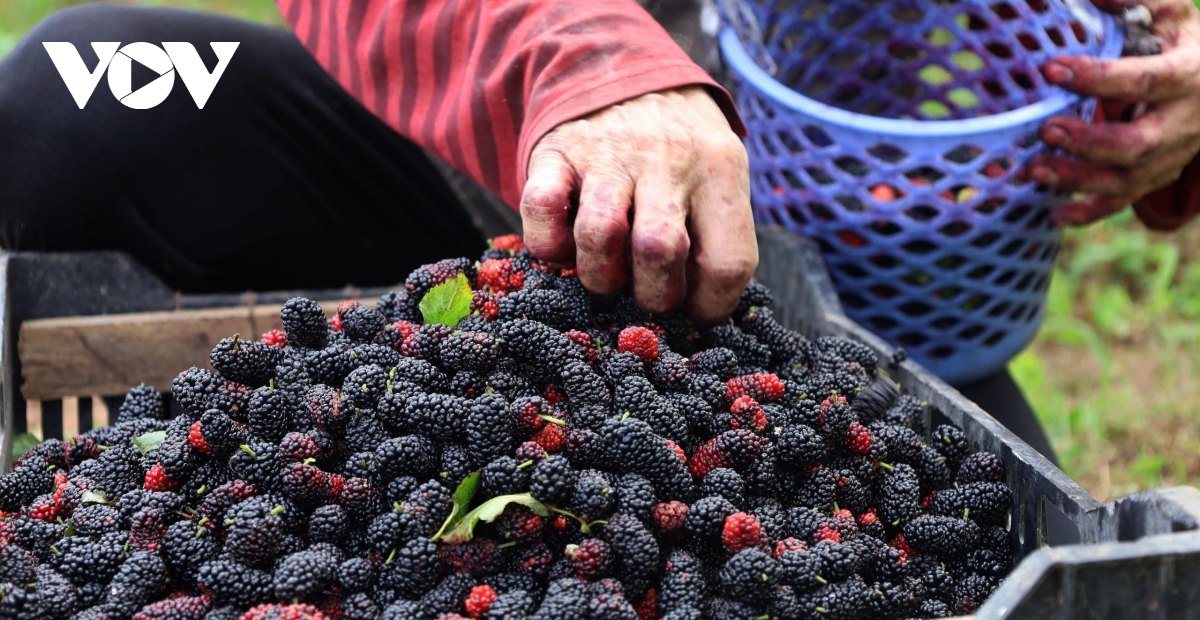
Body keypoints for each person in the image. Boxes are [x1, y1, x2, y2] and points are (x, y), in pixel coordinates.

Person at [0, 0, 1197, 519]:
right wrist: (590, 67)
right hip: (468, 140)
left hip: (787, 283)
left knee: (981, 529)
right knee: (76, 81)